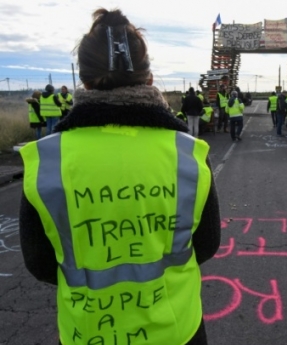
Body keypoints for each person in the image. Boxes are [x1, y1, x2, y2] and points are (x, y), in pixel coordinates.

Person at [18, 8, 220, 345]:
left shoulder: (46, 159)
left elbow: (39, 263)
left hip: (87, 332)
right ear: (149, 77)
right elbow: (207, 244)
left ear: (83, 79)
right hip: (176, 329)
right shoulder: (189, 153)